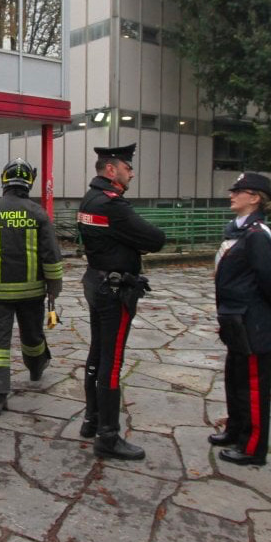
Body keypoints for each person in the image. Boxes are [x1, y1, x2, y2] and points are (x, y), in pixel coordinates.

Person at [76, 144, 166, 460]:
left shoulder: (90, 199)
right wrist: (133, 244)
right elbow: (156, 239)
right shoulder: (112, 205)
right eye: (128, 168)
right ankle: (108, 436)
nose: (132, 173)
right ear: (111, 170)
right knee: (111, 362)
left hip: (95, 281)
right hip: (114, 291)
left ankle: (91, 420)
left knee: (97, 353)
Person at [0, 158, 64, 416]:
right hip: (31, 293)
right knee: (32, 335)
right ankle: (36, 367)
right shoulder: (37, 213)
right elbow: (50, 254)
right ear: (29, 182)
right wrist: (54, 287)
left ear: (4, 181)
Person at [210, 172, 271, 466]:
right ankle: (235, 430)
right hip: (236, 319)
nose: (232, 195)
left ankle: (253, 447)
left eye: (238, 191)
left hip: (253, 320)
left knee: (253, 386)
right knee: (235, 379)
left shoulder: (257, 235)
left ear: (255, 198)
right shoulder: (238, 231)